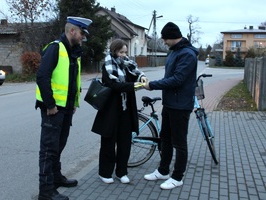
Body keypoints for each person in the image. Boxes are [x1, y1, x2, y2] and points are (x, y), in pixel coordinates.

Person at [35, 16, 92, 200]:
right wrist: (50, 105)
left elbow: (71, 80)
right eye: (82, 33)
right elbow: (42, 77)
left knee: (59, 145)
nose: (83, 37)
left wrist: (74, 103)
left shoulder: (73, 51)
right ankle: (46, 192)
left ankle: (56, 178)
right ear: (72, 31)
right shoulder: (55, 48)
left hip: (66, 109)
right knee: (48, 150)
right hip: (53, 109)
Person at [143, 22, 198, 190]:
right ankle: (163, 171)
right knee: (165, 138)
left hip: (181, 105)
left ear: (173, 37)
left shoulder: (187, 54)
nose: (164, 42)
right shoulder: (174, 52)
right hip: (169, 103)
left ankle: (177, 177)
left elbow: (177, 79)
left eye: (165, 39)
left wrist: (152, 85)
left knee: (179, 142)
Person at [91, 39, 148, 184]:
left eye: (125, 52)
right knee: (108, 142)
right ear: (114, 51)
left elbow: (135, 74)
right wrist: (133, 86)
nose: (124, 55)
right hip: (111, 110)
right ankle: (105, 172)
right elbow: (113, 85)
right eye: (121, 52)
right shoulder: (108, 66)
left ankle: (121, 172)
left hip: (126, 110)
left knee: (125, 142)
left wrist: (141, 77)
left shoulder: (127, 65)